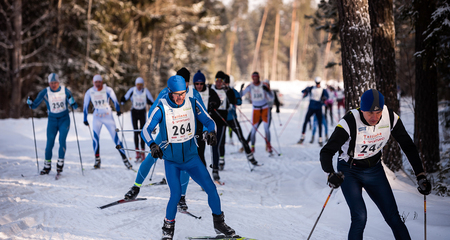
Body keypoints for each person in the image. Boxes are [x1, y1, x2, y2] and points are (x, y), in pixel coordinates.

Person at [126, 75, 238, 240]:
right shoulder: (162, 108)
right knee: (176, 194)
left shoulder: (192, 102)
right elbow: (145, 130)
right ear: (169, 92)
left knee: (211, 189)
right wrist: (152, 144)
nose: (180, 98)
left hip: (192, 159)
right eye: (177, 94)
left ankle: (219, 223)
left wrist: (211, 132)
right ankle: (168, 228)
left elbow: (209, 121)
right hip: (172, 162)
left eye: (183, 93)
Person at [320, 89, 432, 240]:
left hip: (374, 170)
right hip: (349, 171)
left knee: (393, 216)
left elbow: (407, 145)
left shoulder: (390, 117)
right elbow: (326, 152)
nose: (374, 117)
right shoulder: (349, 122)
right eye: (369, 113)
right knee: (360, 217)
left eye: (378, 112)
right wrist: (330, 174)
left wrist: (420, 175)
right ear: (362, 109)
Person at [127, 68, 205, 212]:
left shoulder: (194, 94)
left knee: (185, 165)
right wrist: (153, 124)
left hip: (184, 135)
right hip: (165, 134)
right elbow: (153, 109)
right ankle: (136, 187)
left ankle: (182, 197)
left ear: (188, 83)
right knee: (151, 158)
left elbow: (204, 114)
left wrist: (205, 132)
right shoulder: (166, 91)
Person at [27, 73, 78, 175]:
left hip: (64, 119)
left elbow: (75, 107)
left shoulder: (65, 91)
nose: (53, 85)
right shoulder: (45, 92)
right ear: (48, 83)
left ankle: (60, 164)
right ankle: (47, 166)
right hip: (52, 120)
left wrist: (73, 103)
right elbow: (34, 106)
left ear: (58, 82)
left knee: (61, 140)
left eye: (55, 82)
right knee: (49, 143)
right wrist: (30, 103)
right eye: (51, 83)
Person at [83, 74, 132, 169]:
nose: (97, 84)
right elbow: (85, 106)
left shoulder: (108, 90)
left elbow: (115, 101)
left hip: (107, 115)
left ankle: (125, 160)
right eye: (96, 82)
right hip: (97, 116)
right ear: (93, 82)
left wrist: (118, 110)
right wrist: (85, 119)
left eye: (99, 82)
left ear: (102, 82)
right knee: (95, 138)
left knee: (116, 138)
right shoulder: (90, 92)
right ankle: (97, 160)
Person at [222, 73, 259, 167]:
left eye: (226, 82)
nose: (224, 84)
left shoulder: (233, 91)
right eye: (223, 82)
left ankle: (251, 157)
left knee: (241, 137)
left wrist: (234, 101)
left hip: (232, 118)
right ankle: (221, 160)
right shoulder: (219, 91)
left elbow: (239, 101)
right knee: (221, 140)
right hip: (221, 119)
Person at [209, 71, 237, 180]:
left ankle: (218, 164)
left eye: (221, 81)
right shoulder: (211, 89)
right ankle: (214, 167)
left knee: (218, 143)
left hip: (222, 120)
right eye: (217, 80)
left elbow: (233, 100)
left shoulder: (227, 91)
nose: (219, 83)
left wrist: (229, 91)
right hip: (212, 121)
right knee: (212, 145)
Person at [120, 77, 154, 162]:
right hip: (134, 112)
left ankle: (142, 153)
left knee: (142, 132)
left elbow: (152, 101)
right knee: (135, 131)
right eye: (138, 84)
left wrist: (152, 105)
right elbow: (125, 97)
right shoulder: (132, 90)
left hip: (142, 112)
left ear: (143, 85)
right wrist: (122, 100)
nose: (139, 86)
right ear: (136, 84)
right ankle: (137, 153)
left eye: (141, 84)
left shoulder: (145, 91)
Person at [240, 72, 274, 153]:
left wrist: (268, 92)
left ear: (259, 77)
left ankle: (268, 146)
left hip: (265, 108)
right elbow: (240, 95)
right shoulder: (250, 86)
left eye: (256, 78)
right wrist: (241, 89)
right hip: (256, 110)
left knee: (266, 129)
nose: (255, 79)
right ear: (252, 78)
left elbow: (272, 97)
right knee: (253, 129)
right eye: (253, 78)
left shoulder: (264, 85)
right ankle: (252, 147)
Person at [192, 70, 220, 167]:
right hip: (195, 125)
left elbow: (218, 101)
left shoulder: (210, 91)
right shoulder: (191, 92)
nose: (199, 86)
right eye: (197, 84)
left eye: (201, 83)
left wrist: (213, 104)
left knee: (205, 150)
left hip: (206, 124)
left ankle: (214, 169)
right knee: (195, 153)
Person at [297, 77, 329, 146]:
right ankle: (302, 137)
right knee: (305, 121)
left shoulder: (323, 90)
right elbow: (303, 91)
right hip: (311, 107)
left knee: (320, 124)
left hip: (318, 108)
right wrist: (305, 91)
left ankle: (320, 139)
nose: (317, 84)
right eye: (316, 83)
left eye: (318, 83)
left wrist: (324, 98)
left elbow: (327, 96)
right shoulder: (311, 88)